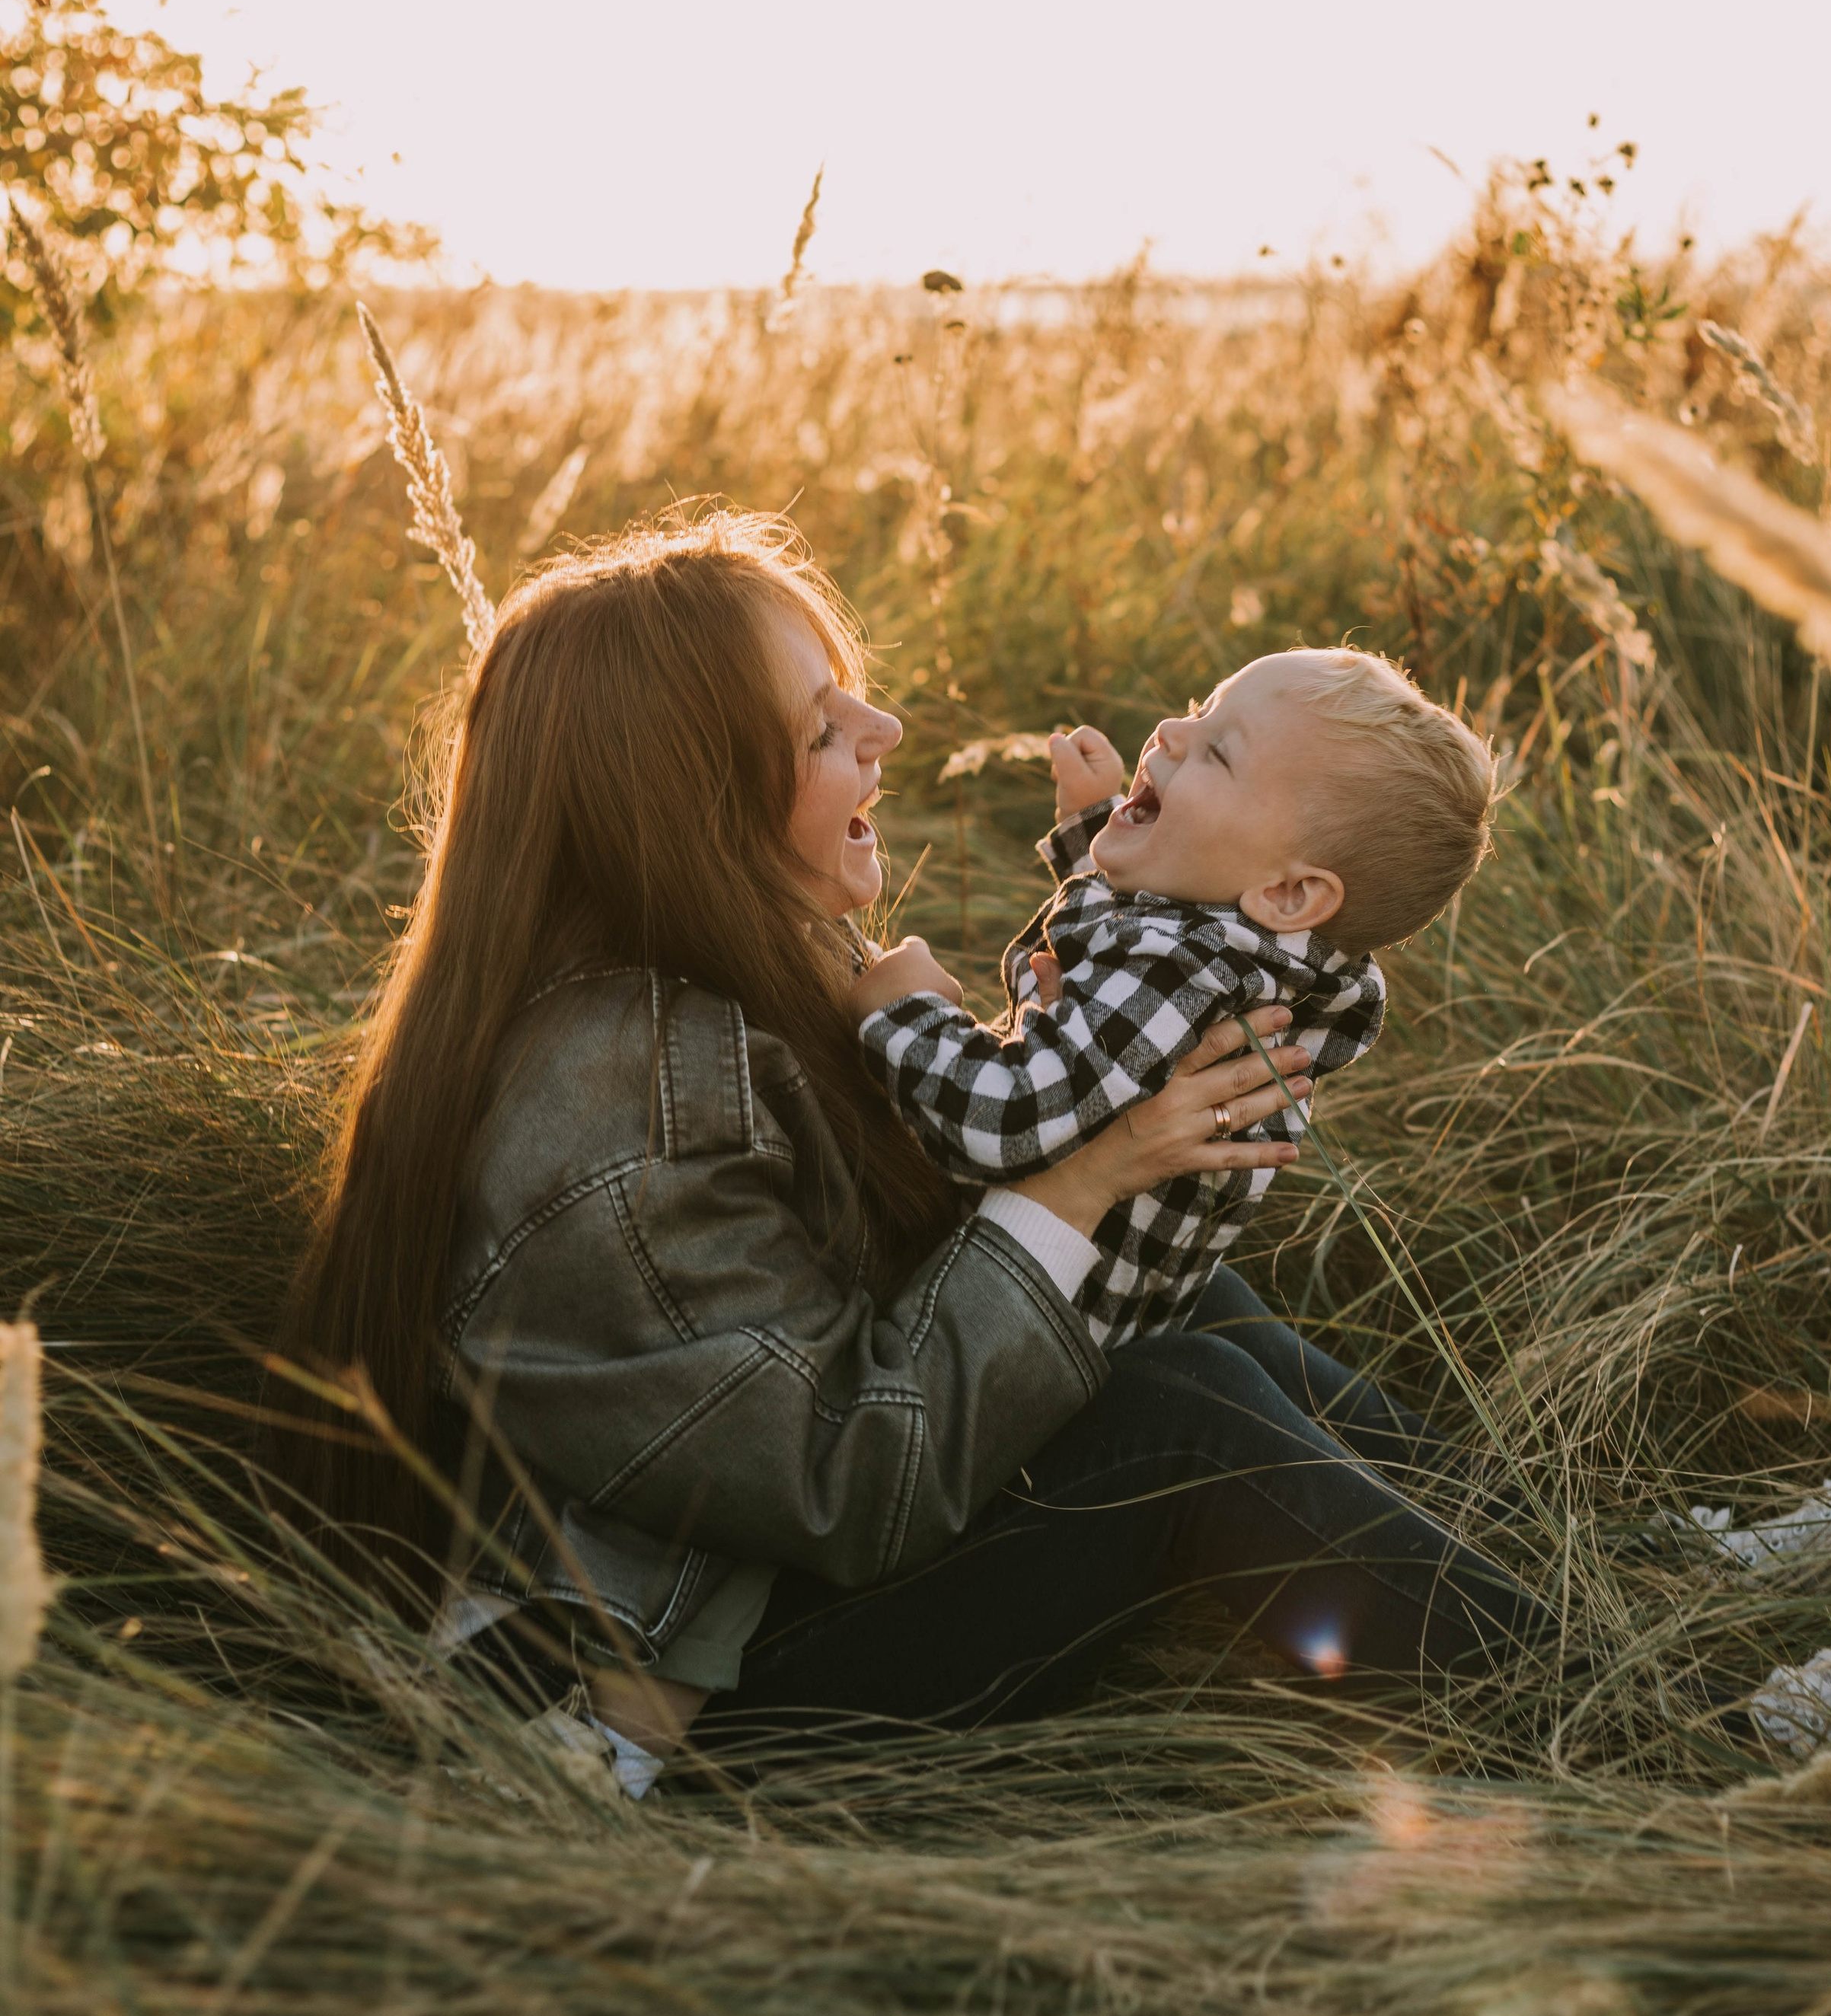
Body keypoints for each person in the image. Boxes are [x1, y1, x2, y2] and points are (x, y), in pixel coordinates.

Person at [278, 511, 1555, 1790]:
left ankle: (1588, 1570)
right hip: (676, 1688)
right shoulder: (634, 1094)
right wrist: (1083, 1177)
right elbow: (845, 1477)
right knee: (1183, 1416)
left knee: (1200, 1321)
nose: (881, 732)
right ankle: (1587, 1698)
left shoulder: (735, 981)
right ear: (692, 805)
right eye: (823, 730)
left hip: (761, 1580)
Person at [850, 649, 1488, 1349]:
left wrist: (905, 1011)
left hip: (1029, 1342)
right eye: (1199, 710)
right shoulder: (1244, 946)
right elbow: (1144, 916)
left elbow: (1004, 1117)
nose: (1168, 732)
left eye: (1217, 753)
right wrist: (1093, 824)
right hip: (1121, 1314)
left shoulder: (1183, 976)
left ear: (1288, 894)